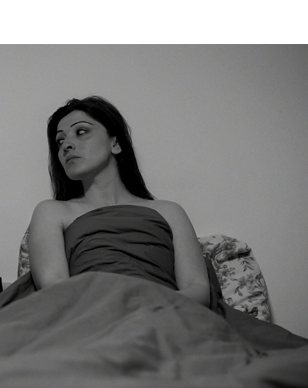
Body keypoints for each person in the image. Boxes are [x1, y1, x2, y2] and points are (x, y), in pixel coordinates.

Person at [28, 96, 210, 307]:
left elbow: (198, 288)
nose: (66, 145)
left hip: (169, 314)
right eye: (60, 141)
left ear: (115, 143)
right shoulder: (52, 212)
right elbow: (55, 287)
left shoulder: (169, 211)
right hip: (88, 314)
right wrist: (115, 308)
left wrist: (151, 306)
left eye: (81, 132)